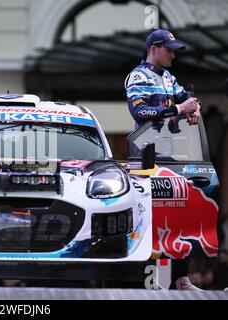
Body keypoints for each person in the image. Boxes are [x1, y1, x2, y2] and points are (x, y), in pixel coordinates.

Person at [124, 29, 203, 291]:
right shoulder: (137, 76)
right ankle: (150, 280)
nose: (173, 54)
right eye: (170, 49)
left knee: (179, 213)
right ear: (154, 49)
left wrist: (195, 108)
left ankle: (181, 279)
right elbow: (140, 110)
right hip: (145, 156)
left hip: (171, 155)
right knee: (150, 216)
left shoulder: (168, 77)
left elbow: (187, 98)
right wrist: (180, 109)